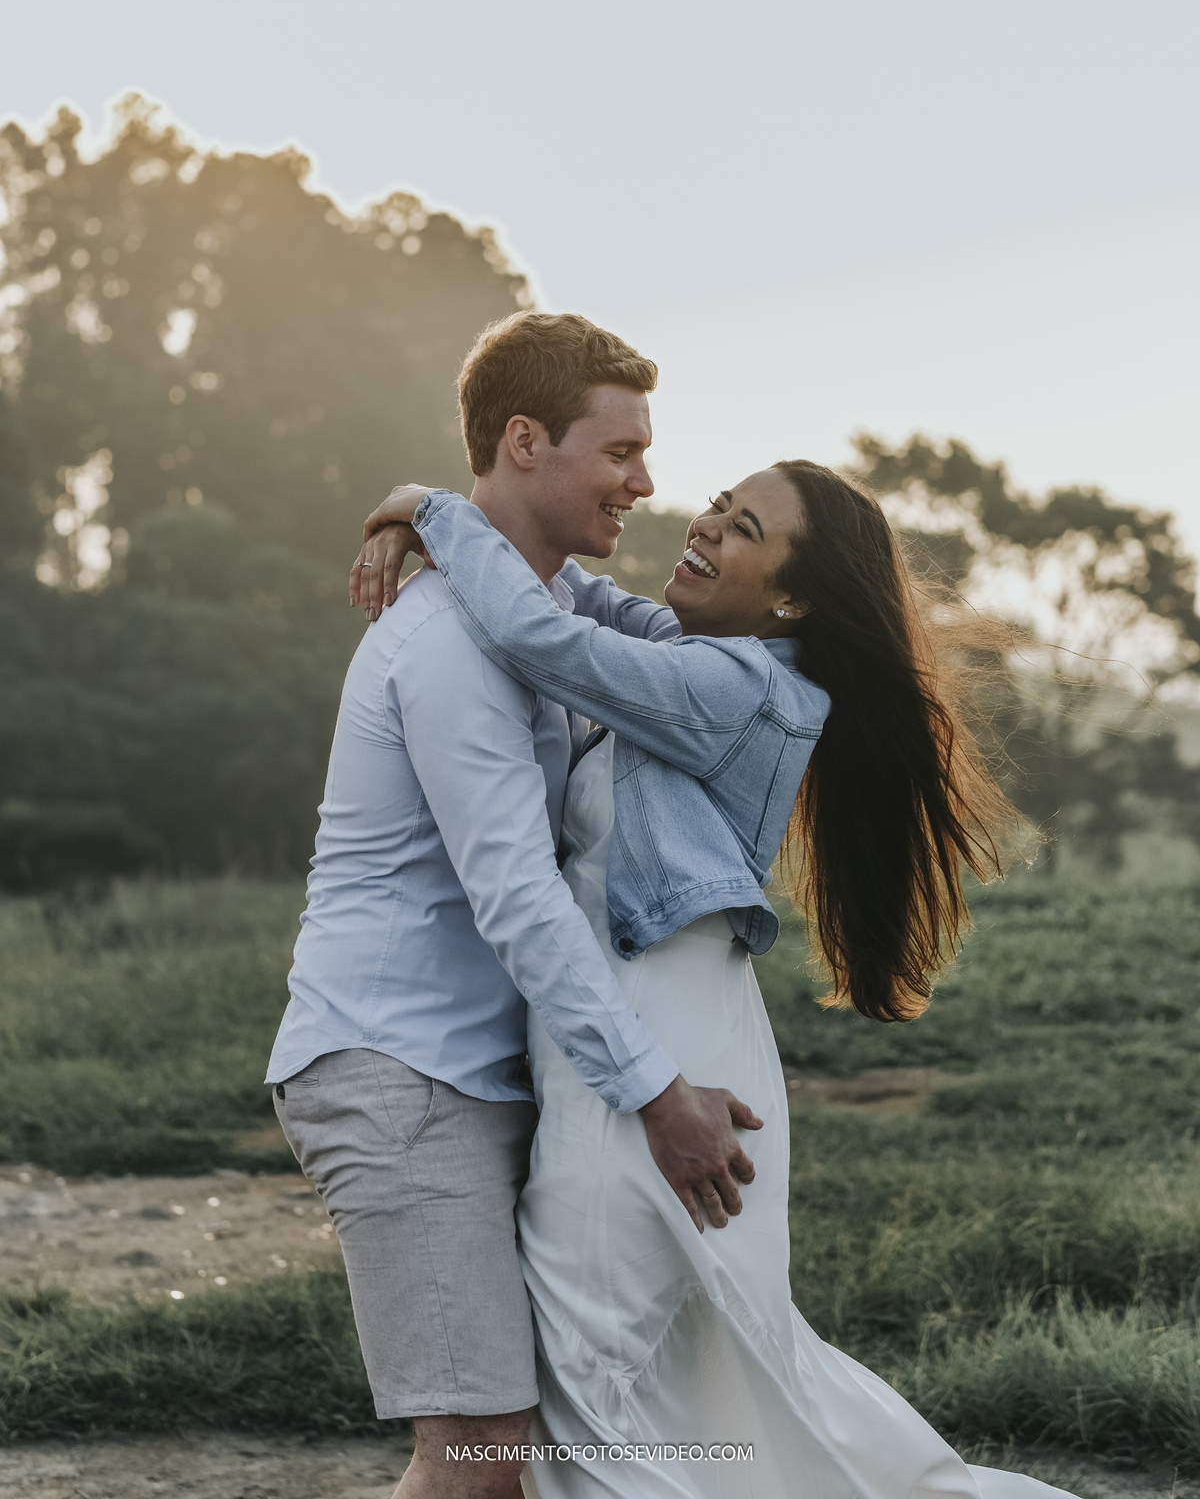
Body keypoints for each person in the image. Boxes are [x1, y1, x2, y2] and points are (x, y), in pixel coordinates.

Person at [352, 464, 1074, 1499]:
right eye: (719, 505)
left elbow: (543, 640)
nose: (703, 527)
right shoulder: (710, 663)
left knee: (598, 1391)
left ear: (791, 598)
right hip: (656, 1032)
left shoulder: (734, 689)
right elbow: (584, 606)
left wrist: (433, 510)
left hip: (652, 1051)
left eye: (742, 530)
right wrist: (495, 540)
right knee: (682, 1378)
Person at [267, 312, 765, 1499]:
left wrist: (428, 502)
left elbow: (657, 640)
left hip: (486, 1079)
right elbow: (515, 897)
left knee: (520, 1460)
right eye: (620, 453)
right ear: (527, 441)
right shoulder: (446, 640)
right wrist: (655, 1095)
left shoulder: (548, 611)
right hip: (398, 1073)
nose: (645, 483)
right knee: (480, 1463)